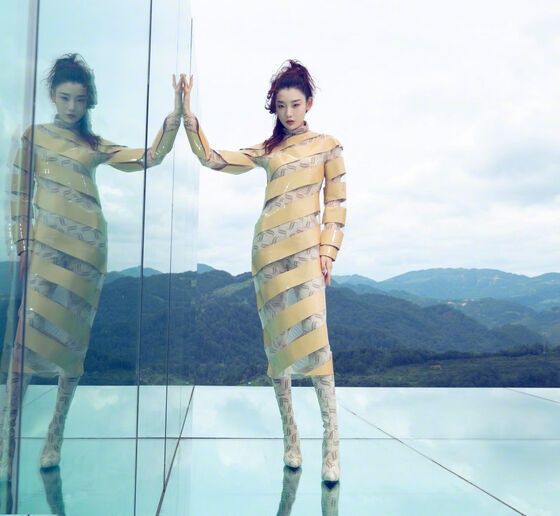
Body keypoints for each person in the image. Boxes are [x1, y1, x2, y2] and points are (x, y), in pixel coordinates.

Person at [0, 53, 181, 470]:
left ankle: (55, 437)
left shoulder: (93, 144)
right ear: (52, 95)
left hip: (88, 252)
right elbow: (19, 194)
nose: (71, 107)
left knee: (74, 346)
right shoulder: (33, 138)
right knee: (25, 343)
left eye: (80, 100)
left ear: (88, 102)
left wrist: (175, 117)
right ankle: (7, 441)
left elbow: (149, 157)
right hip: (45, 250)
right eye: (65, 98)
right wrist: (22, 244)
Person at [181, 59, 345, 482]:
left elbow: (336, 202)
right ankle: (291, 439)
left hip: (307, 258)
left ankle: (331, 447)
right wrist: (190, 120)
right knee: (278, 351)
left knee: (318, 344)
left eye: (295, 104)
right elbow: (214, 159)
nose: (288, 113)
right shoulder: (269, 149)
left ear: (309, 103)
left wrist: (328, 251)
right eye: (281, 106)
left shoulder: (328, 145)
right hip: (268, 257)